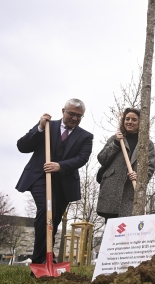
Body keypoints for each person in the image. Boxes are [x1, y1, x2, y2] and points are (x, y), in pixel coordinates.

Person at [16, 99, 93, 271]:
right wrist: (40, 127)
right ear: (63, 111)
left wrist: (60, 166)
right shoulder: (47, 126)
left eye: (79, 116)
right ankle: (39, 261)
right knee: (46, 210)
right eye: (71, 114)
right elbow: (22, 146)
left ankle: (47, 259)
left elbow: (82, 158)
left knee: (55, 218)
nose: (74, 118)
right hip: (40, 177)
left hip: (64, 183)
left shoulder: (86, 136)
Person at [96, 108, 155, 222]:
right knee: (111, 229)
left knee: (128, 230)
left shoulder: (147, 143)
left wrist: (140, 177)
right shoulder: (115, 139)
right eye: (127, 119)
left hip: (131, 191)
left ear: (141, 123)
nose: (130, 122)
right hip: (112, 191)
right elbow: (102, 159)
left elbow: (150, 166)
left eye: (134, 120)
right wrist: (116, 143)